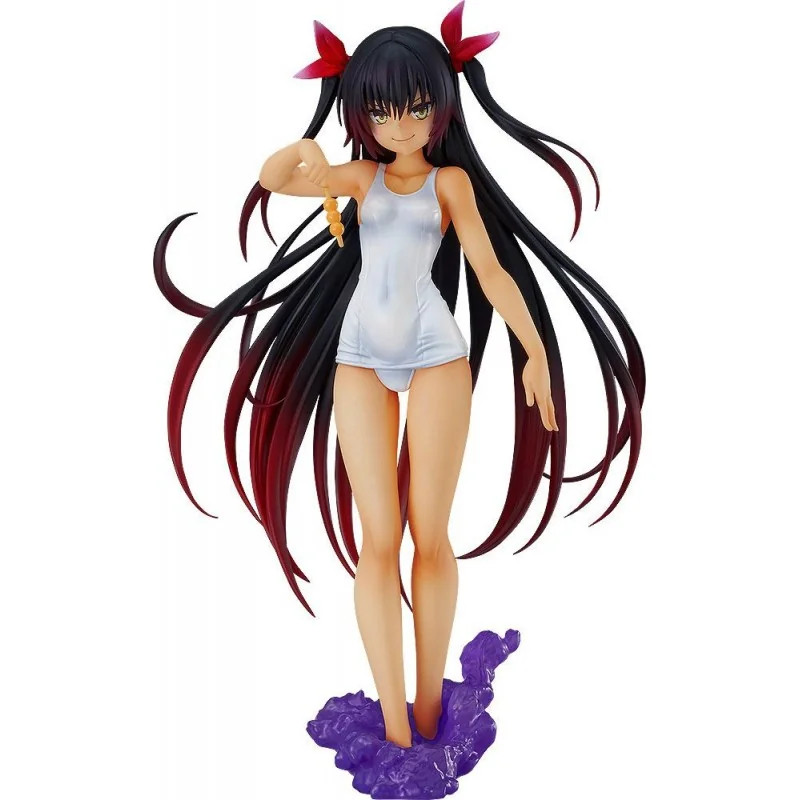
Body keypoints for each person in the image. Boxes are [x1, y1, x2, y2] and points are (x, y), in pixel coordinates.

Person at [154, 1, 645, 752]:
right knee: (377, 541)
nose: (403, 125)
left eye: (417, 107)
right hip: (359, 357)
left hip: (437, 351)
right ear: (363, 114)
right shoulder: (361, 178)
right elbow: (273, 178)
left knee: (431, 536)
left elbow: (490, 270)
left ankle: (429, 709)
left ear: (442, 105)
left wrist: (534, 350)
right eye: (384, 112)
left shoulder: (451, 184)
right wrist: (305, 142)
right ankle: (394, 727)